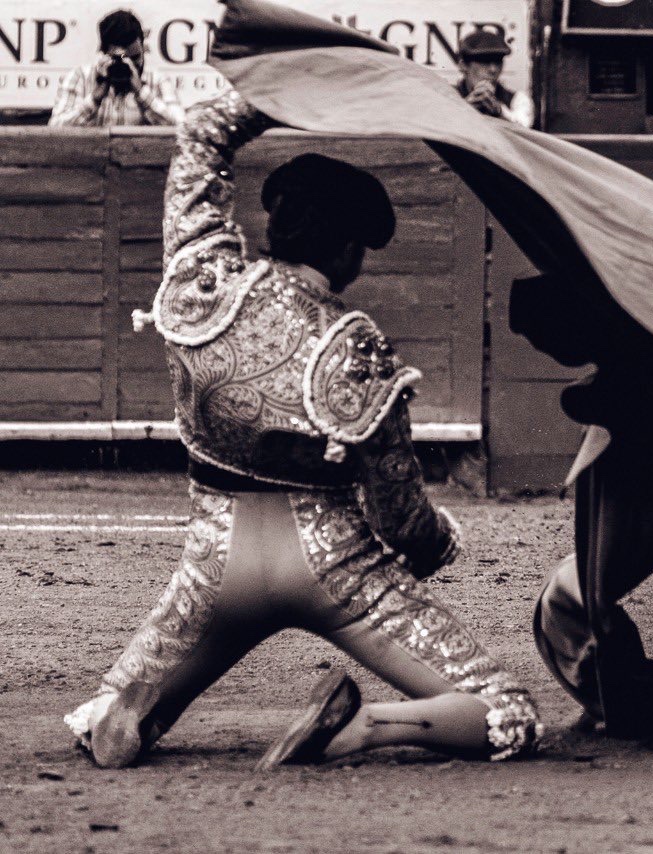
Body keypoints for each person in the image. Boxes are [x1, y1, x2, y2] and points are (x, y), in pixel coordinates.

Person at [63, 87, 540, 770]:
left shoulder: (203, 280)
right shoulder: (354, 345)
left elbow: (203, 134)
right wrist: (442, 546)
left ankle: (122, 711)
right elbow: (403, 519)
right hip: (334, 571)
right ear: (348, 250)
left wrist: (297, 83)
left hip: (215, 568)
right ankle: (368, 726)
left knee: (111, 715)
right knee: (505, 713)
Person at [48, 9, 182, 127]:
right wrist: (94, 99)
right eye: (120, 59)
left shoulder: (157, 80)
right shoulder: (80, 76)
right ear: (103, 53)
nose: (129, 65)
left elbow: (181, 127)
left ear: (143, 48)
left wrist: (141, 92)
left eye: (135, 57)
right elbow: (56, 130)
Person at [455, 29, 534, 128]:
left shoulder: (517, 100)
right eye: (484, 61)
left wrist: (499, 111)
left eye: (498, 61)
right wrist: (465, 108)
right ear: (463, 66)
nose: (493, 69)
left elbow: (523, 128)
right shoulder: (446, 95)